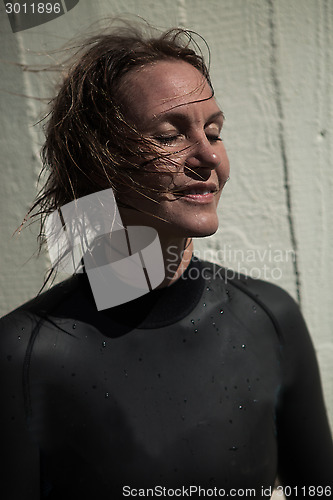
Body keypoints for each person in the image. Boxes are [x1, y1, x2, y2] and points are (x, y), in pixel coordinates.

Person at [1, 21, 332, 500]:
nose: (207, 156)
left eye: (214, 132)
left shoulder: (269, 318)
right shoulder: (24, 356)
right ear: (98, 162)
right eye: (169, 136)